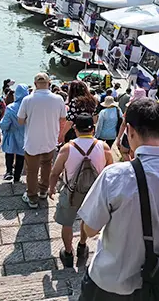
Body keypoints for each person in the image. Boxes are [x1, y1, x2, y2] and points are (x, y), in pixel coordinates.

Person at [77, 98, 159, 299]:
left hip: (109, 282)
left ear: (130, 131)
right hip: (158, 283)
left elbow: (90, 230)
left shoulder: (114, 176)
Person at [49, 114, 113, 268]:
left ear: (75, 129)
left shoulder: (67, 148)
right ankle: (82, 245)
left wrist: (51, 188)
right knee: (86, 219)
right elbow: (111, 170)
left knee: (67, 223)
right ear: (93, 129)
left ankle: (68, 252)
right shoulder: (104, 147)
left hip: (71, 193)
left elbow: (55, 172)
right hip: (94, 192)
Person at [18, 73, 67, 209]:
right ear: (49, 83)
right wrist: (60, 135)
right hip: (50, 139)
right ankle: (43, 191)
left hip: (32, 141)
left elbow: (20, 121)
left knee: (32, 171)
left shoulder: (27, 100)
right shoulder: (58, 99)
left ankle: (32, 198)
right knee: (47, 166)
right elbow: (63, 119)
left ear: (35, 84)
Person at [0, 84, 29, 182]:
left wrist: (4, 128)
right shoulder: (30, 107)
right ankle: (17, 177)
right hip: (25, 135)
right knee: (21, 156)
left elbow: (4, 124)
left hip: (11, 134)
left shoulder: (10, 107)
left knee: (9, 152)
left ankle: (9, 171)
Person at [116, 88, 147, 162]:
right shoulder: (148, 109)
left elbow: (123, 124)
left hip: (129, 133)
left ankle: (130, 165)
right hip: (143, 135)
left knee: (124, 151)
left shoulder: (130, 108)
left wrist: (119, 138)